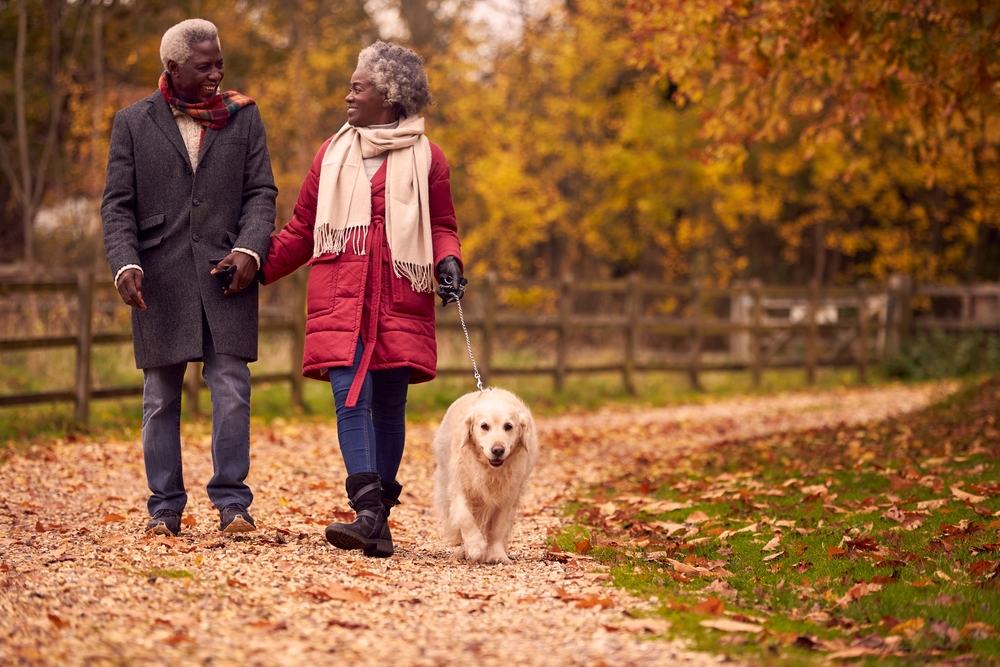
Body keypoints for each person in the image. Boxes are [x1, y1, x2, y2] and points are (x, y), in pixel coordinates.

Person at [262, 41, 465, 558]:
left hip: (400, 294)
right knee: (350, 398)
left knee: (390, 406)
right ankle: (368, 510)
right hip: (343, 297)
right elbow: (305, 228)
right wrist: (257, 267)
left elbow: (441, 225)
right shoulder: (331, 154)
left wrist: (449, 261)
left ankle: (375, 522)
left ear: (391, 96)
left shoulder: (428, 158)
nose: (348, 95)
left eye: (359, 87)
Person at [101, 19, 277, 537]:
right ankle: (164, 508)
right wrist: (124, 264)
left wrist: (250, 248)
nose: (217, 73)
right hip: (158, 278)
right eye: (205, 66)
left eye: (219, 61)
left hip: (228, 272)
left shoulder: (244, 117)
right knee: (159, 397)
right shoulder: (132, 123)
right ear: (173, 67)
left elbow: (261, 192)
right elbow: (117, 205)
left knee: (232, 389)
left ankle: (232, 505)